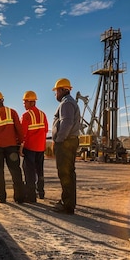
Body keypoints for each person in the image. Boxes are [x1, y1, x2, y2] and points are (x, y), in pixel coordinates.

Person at [0, 90, 25, 204]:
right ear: (3, 99)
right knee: (15, 172)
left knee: (0, 172)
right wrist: (20, 143)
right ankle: (19, 197)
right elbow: (19, 129)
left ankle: (2, 197)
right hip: (11, 147)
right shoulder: (12, 112)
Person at [50, 78, 81, 214]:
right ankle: (67, 202)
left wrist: (59, 140)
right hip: (69, 141)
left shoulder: (66, 103)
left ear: (62, 90)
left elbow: (66, 123)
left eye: (56, 91)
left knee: (65, 173)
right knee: (68, 173)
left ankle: (67, 205)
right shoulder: (68, 102)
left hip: (66, 143)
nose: (55, 94)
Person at [20, 90, 49, 203]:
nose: (23, 105)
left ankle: (31, 196)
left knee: (29, 172)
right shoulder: (43, 114)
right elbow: (46, 130)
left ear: (29, 102)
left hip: (30, 148)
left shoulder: (26, 115)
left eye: (24, 102)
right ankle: (41, 192)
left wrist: (21, 147)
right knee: (40, 170)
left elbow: (23, 133)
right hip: (40, 148)